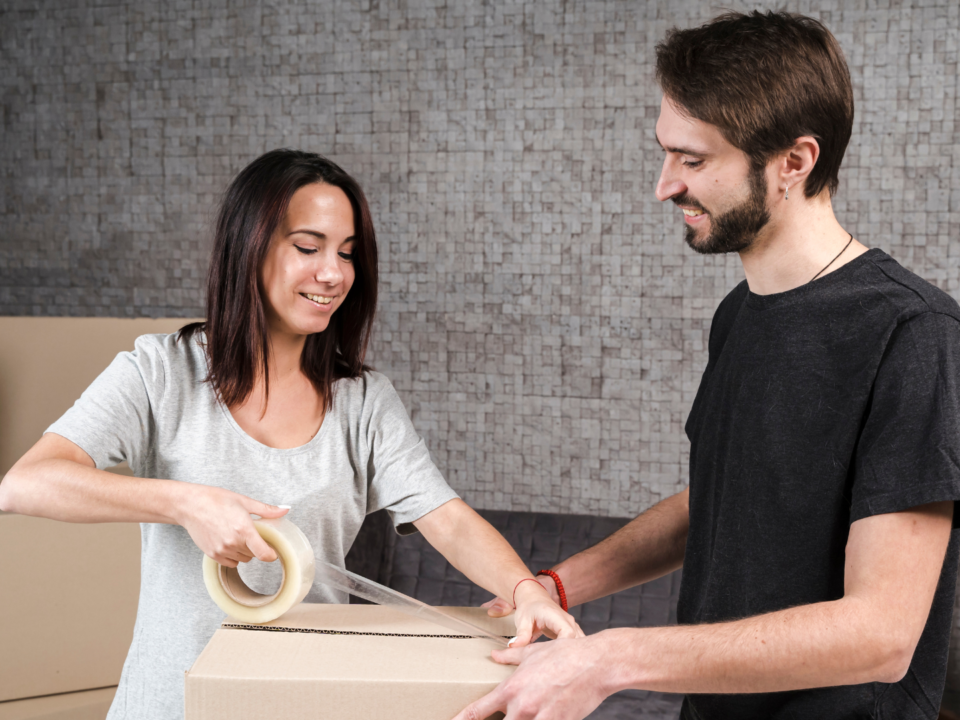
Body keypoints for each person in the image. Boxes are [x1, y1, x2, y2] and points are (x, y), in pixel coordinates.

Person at [456, 11, 960, 720]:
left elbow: (881, 635)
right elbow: (725, 497)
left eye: (692, 160)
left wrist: (610, 659)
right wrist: (556, 587)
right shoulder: (740, 313)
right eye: (666, 154)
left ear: (794, 162)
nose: (665, 186)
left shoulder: (913, 332)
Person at [0, 149, 581, 720]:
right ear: (248, 247)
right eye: (308, 247)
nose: (333, 273)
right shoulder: (159, 371)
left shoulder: (362, 401)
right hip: (168, 704)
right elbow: (26, 484)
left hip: (302, 701)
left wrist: (525, 590)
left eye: (347, 253)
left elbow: (446, 519)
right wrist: (186, 503)